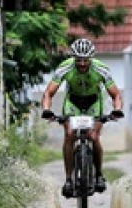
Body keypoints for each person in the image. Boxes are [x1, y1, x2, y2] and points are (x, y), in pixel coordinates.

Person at [41, 38, 124, 198]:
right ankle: (68, 180)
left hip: (94, 102)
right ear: (74, 58)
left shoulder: (101, 70)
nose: (82, 64)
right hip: (73, 102)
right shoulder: (64, 68)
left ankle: (99, 174)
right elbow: (48, 93)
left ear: (91, 58)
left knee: (93, 136)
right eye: (78, 60)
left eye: (85, 60)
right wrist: (47, 109)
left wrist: (117, 109)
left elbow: (115, 95)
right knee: (70, 134)